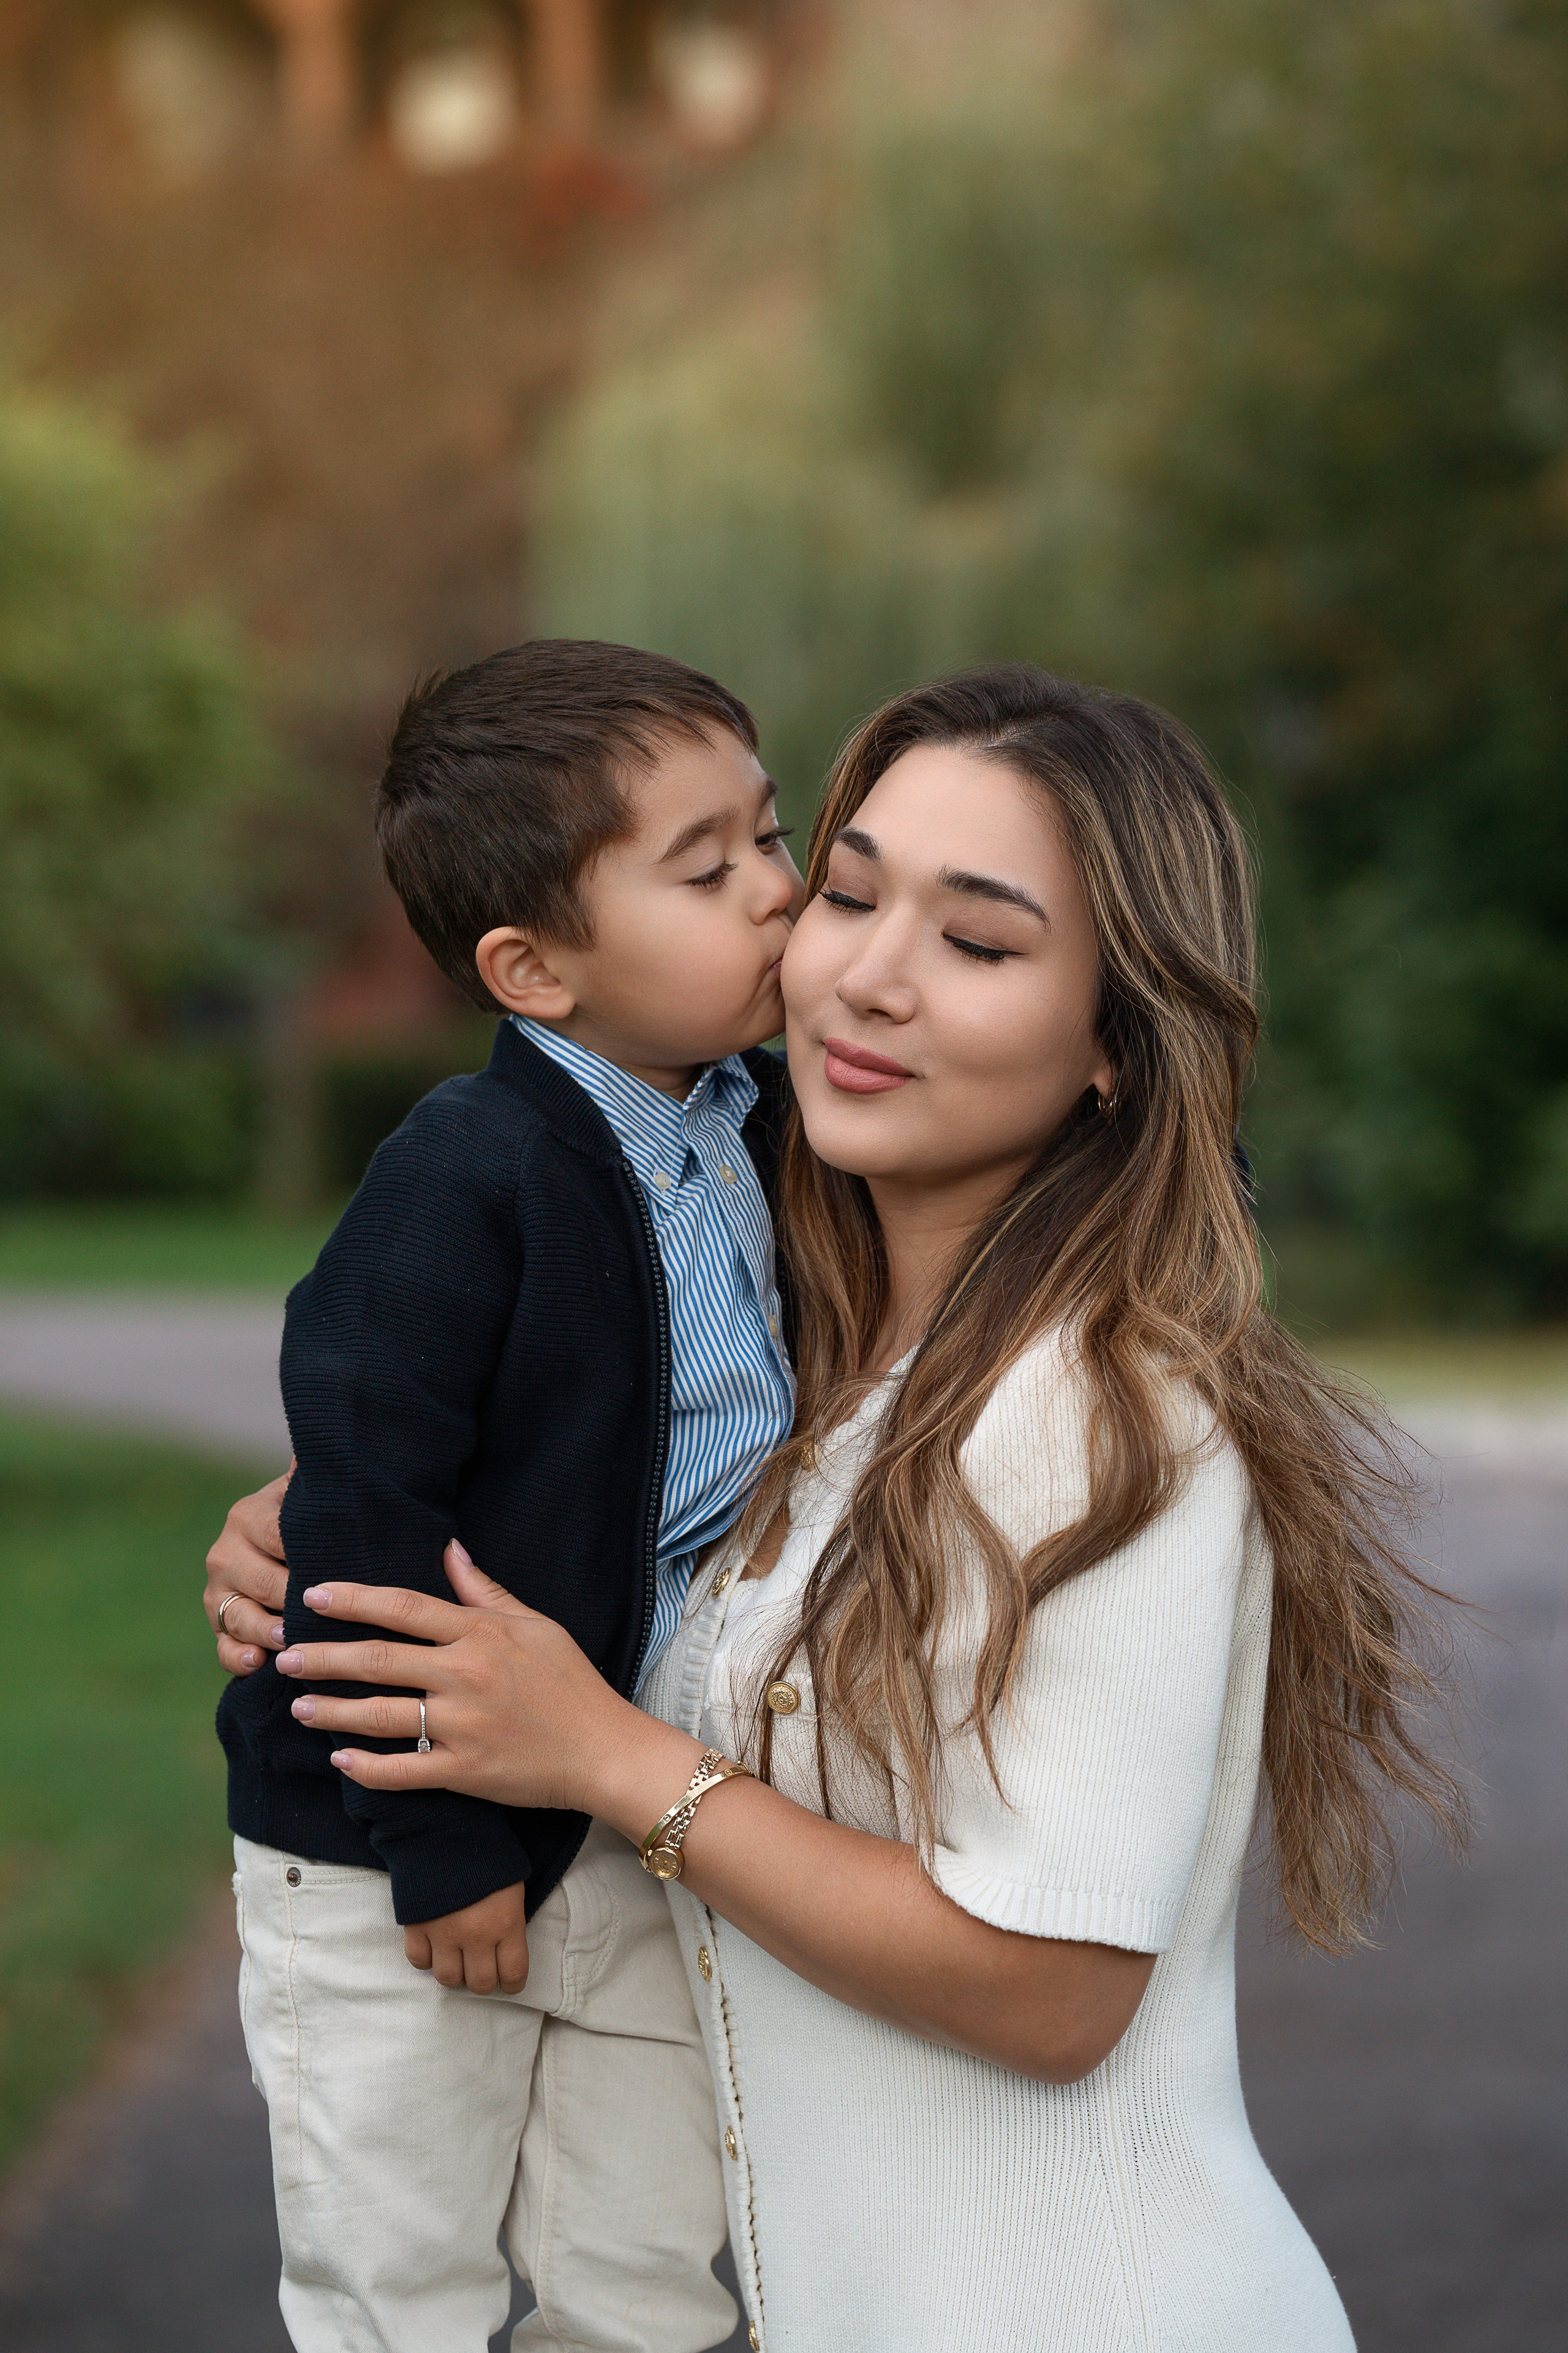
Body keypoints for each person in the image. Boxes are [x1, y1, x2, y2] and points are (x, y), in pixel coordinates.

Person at [213, 665, 1464, 2351]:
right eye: (852, 889)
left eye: (982, 939)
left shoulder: (1099, 1410)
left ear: (1113, 1042)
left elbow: (1056, 1989)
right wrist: (334, 1542)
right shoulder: (806, 1359)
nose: (865, 972)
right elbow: (561, 1512)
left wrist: (600, 1753)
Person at [215, 638, 804, 2353]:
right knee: (400, 2274)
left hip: (630, 1812)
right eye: (708, 869)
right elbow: (366, 1522)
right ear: (533, 968)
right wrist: (443, 1851)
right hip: (393, 1836)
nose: (778, 893)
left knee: (650, 2270)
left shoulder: (771, 1132)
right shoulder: (464, 1177)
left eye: (773, 835)